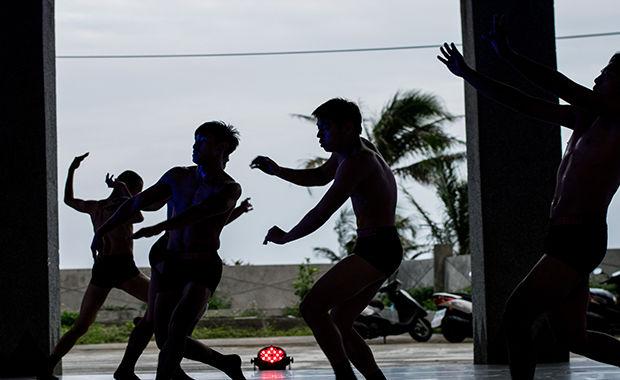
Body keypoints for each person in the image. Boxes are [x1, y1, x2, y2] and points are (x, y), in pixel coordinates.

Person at [437, 16, 620, 380]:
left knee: (516, 314)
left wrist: (509, 55)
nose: (597, 78)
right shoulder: (586, 121)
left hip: (580, 238)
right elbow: (523, 103)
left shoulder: (618, 118)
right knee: (573, 336)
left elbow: (559, 84)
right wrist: (469, 74)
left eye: (606, 74)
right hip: (563, 236)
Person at [251, 98, 402, 380]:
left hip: (377, 248)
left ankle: (344, 375)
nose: (319, 135)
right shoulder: (351, 151)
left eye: (324, 128)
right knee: (341, 321)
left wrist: (286, 237)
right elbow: (320, 176)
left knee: (312, 307)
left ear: (346, 127)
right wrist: (278, 171)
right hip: (381, 246)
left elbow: (321, 212)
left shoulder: (358, 161)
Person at [92, 121, 245, 380]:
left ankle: (166, 376)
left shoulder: (229, 188)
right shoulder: (178, 176)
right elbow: (138, 202)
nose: (194, 147)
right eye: (194, 141)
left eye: (202, 142)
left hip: (201, 266)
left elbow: (199, 213)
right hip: (171, 261)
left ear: (221, 148)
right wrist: (102, 230)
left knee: (177, 331)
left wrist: (161, 226)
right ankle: (225, 362)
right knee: (165, 338)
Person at [113, 197, 252, 380]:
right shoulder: (192, 183)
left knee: (168, 329)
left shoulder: (210, 187)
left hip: (178, 256)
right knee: (169, 331)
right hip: (173, 256)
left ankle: (203, 365)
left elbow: (211, 221)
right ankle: (218, 363)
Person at [42, 153, 148, 379]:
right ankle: (142, 336)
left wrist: (72, 171)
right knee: (162, 301)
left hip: (102, 267)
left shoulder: (96, 207)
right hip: (122, 267)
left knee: (81, 326)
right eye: (137, 191)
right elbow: (138, 216)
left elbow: (69, 200)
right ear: (132, 189)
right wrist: (123, 190)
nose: (137, 196)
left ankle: (46, 367)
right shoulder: (123, 206)